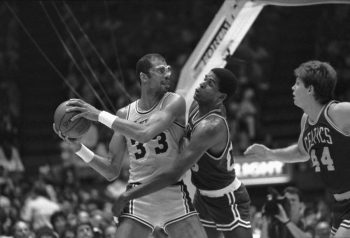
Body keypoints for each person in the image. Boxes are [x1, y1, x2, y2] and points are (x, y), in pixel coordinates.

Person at [53, 53, 206, 238]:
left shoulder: (174, 102)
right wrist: (79, 148)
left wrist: (99, 115)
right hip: (138, 197)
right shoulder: (124, 114)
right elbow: (111, 170)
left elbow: (145, 133)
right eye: (160, 70)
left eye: (168, 69)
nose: (167, 74)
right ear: (144, 77)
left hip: (172, 193)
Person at [112, 68, 253, 238]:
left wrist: (128, 196)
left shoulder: (212, 126)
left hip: (227, 198)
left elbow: (173, 174)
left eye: (210, 84)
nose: (202, 84)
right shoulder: (196, 105)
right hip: (203, 197)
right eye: (205, 79)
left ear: (221, 97)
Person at [244, 60, 350, 238]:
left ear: (310, 89)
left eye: (297, 83)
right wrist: (270, 153)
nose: (293, 88)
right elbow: (301, 152)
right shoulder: (306, 120)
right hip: (339, 204)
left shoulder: (339, 112)